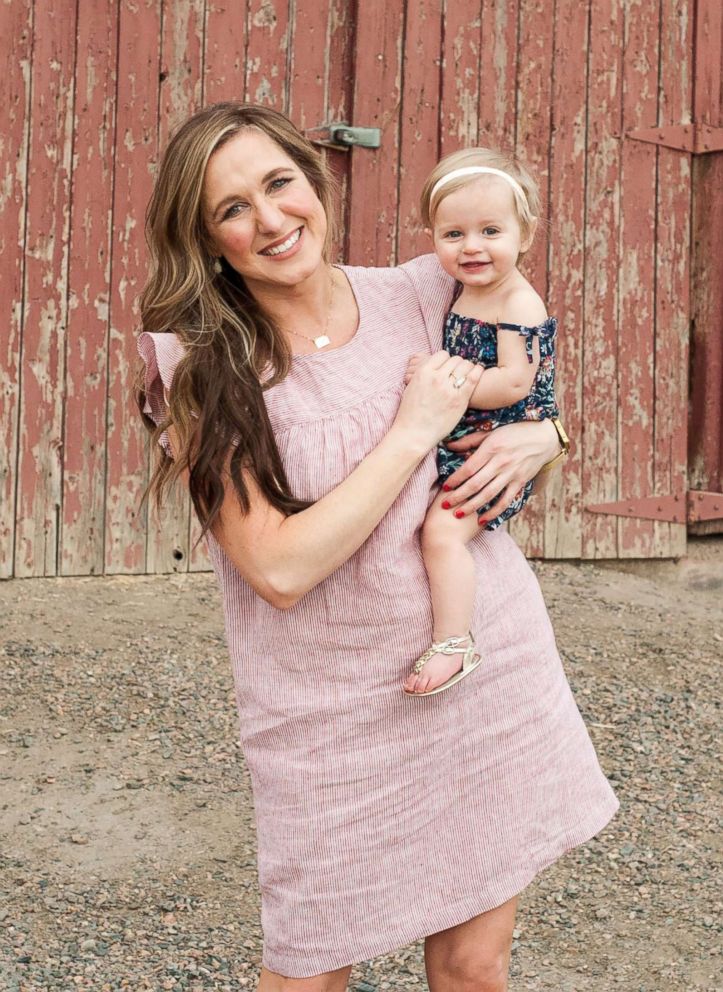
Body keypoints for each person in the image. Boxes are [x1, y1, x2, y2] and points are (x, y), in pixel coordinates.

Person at [137, 103, 618, 992]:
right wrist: (410, 430)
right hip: (328, 716)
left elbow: (521, 402)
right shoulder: (204, 370)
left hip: (482, 669)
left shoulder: (427, 292)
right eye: (232, 208)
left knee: (474, 968)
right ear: (205, 240)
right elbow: (278, 568)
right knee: (311, 973)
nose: (273, 219)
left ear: (316, 183)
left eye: (281, 183)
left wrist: (549, 435)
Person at [403, 149, 560, 697]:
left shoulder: (518, 301)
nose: (472, 246)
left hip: (497, 453)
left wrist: (447, 376)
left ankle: (454, 642)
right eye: (453, 234)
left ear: (526, 234)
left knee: (442, 531)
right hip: (465, 438)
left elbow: (515, 383)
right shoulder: (463, 287)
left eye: (490, 230)